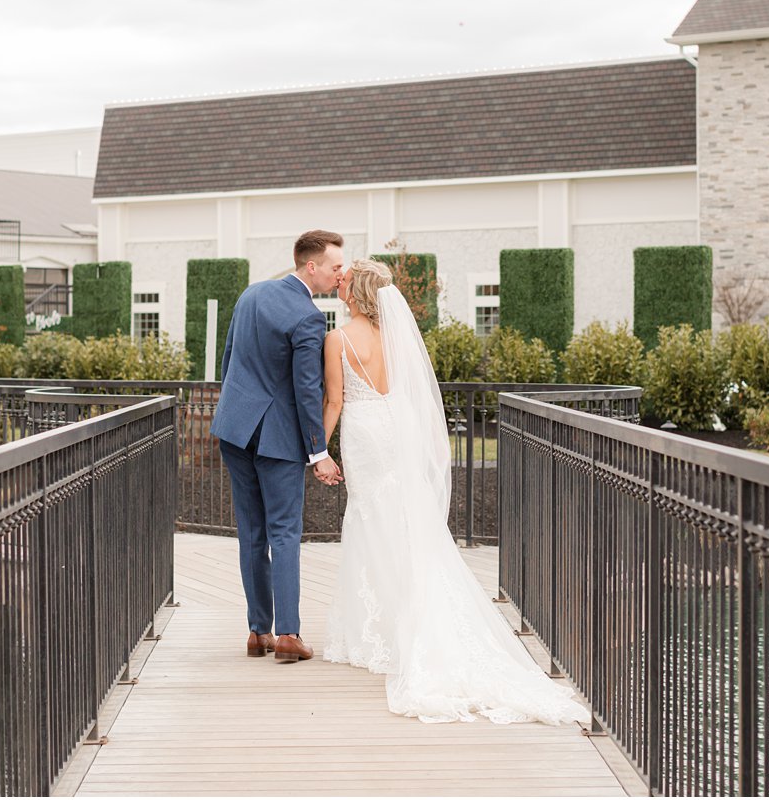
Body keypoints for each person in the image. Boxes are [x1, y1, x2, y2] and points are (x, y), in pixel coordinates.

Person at [321, 259, 591, 726]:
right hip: (397, 431)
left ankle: (377, 633)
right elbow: (413, 398)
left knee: (369, 516)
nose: (338, 286)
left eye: (344, 282)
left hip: (365, 434)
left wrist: (318, 450)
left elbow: (335, 400)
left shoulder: (338, 338)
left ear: (356, 292)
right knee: (407, 518)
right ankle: (403, 617)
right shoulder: (399, 339)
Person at [210, 229, 344, 664]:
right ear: (312, 266)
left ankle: (257, 632)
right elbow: (308, 391)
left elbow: (228, 360)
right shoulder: (308, 317)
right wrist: (318, 450)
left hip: (234, 428)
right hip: (278, 439)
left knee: (251, 533)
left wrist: (234, 410)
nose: (338, 273)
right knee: (284, 533)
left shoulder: (251, 294)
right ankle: (288, 635)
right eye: (334, 266)